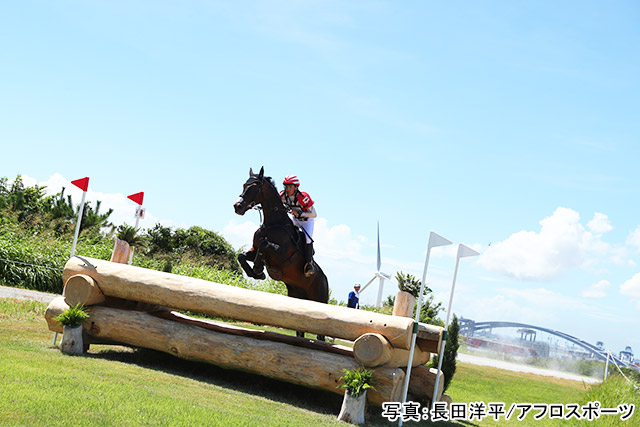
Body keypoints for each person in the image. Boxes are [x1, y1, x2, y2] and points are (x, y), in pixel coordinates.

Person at [280, 175, 317, 277]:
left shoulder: (303, 197)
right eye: (286, 187)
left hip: (307, 221)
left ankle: (309, 264)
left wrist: (300, 213)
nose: (287, 189)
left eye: (289, 187)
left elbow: (314, 214)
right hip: (295, 220)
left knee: (307, 240)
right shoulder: (283, 196)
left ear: (296, 187)